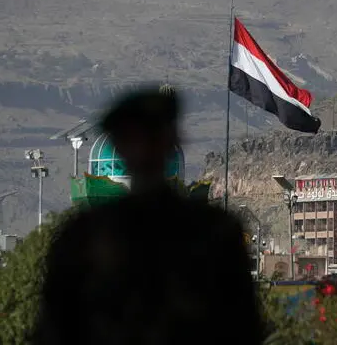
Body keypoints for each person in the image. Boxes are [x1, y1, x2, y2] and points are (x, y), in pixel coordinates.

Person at [32, 86, 264, 345]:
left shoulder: (214, 233)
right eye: (134, 140)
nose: (143, 150)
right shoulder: (84, 237)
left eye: (151, 139)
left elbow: (239, 324)